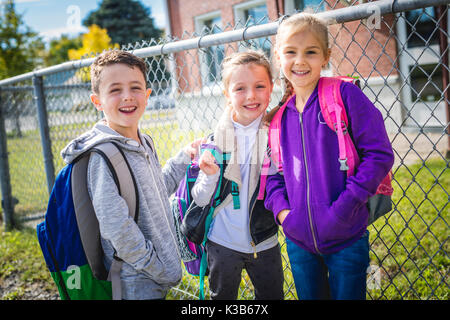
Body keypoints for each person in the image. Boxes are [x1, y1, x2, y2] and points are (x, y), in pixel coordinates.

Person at [264, 13, 394, 300]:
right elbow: (271, 174)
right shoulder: (278, 119)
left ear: (326, 56)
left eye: (310, 52)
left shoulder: (344, 95)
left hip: (347, 237)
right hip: (298, 242)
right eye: (290, 52)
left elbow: (379, 154)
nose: (300, 61)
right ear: (277, 56)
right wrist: (285, 215)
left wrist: (344, 208)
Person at [61, 50, 201, 300]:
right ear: (97, 101)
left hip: (155, 272)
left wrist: (183, 158)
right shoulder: (102, 155)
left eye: (135, 87)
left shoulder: (143, 141)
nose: (127, 97)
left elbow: (156, 191)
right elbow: (117, 228)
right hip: (134, 279)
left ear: (147, 95)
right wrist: (156, 267)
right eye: (115, 90)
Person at [191, 50, 284, 300]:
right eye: (240, 88)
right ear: (227, 94)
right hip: (222, 243)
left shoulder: (279, 133)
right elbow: (199, 199)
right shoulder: (216, 141)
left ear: (271, 87)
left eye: (259, 86)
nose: (251, 96)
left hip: (264, 240)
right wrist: (209, 176)